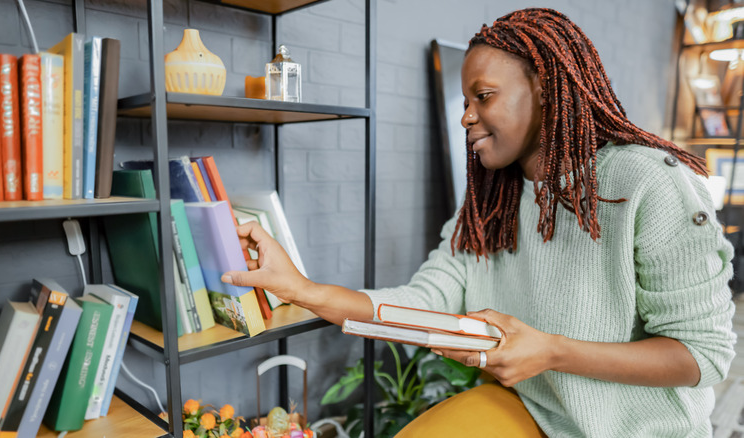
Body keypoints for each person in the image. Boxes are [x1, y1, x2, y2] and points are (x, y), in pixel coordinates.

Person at [222, 8, 737, 437]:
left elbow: (703, 354)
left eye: (483, 97)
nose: (465, 116)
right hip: (536, 415)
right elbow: (423, 303)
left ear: (543, 86)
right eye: (465, 101)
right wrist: (301, 288)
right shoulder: (492, 201)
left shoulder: (651, 184)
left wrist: (552, 352)